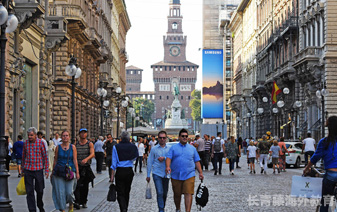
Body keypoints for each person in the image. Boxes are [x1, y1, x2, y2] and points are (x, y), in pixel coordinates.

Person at [303, 116, 337, 212]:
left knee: (324, 202)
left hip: (331, 174)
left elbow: (315, 158)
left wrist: (307, 168)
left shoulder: (324, 142)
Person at [166, 128, 204, 212]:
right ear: (179, 137)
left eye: (186, 136)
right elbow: (168, 158)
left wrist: (200, 173)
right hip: (176, 175)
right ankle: (178, 208)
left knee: (188, 193)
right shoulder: (173, 148)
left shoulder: (192, 149)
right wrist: (168, 166)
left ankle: (188, 211)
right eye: (183, 136)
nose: (184, 138)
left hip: (189, 174)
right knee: (177, 194)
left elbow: (197, 161)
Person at [51, 131, 80, 212]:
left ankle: (71, 203)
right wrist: (52, 172)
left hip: (70, 172)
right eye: (63, 136)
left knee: (69, 192)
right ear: (61, 137)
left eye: (67, 135)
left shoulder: (73, 147)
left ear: (69, 137)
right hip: (59, 172)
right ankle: (62, 209)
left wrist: (77, 172)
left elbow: (75, 160)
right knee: (60, 192)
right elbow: (55, 160)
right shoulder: (58, 147)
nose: (65, 137)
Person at [22, 127, 49, 212]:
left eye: (31, 135)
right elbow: (23, 156)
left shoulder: (41, 143)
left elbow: (45, 157)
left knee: (40, 190)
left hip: (38, 169)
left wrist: (47, 170)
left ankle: (40, 205)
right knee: (29, 191)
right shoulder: (25, 143)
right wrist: (23, 170)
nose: (29, 137)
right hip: (28, 169)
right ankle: (32, 210)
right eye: (28, 135)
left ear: (35, 135)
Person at [110, 131, 138, 212]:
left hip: (120, 171)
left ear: (121, 138)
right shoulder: (133, 147)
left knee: (120, 191)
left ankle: (123, 208)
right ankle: (125, 206)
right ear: (129, 138)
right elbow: (135, 158)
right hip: (129, 171)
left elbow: (114, 162)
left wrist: (112, 175)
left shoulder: (116, 147)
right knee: (127, 190)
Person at [146, 131, 170, 212]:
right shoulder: (154, 149)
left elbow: (173, 159)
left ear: (166, 138)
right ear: (158, 138)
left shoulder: (169, 149)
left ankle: (162, 206)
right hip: (157, 173)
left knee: (165, 193)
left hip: (166, 174)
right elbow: (150, 161)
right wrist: (148, 174)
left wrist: (165, 158)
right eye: (160, 138)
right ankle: (161, 210)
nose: (162, 139)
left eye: (164, 138)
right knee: (159, 192)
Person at [74, 128, 95, 209]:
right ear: (79, 134)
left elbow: (92, 153)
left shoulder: (89, 144)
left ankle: (84, 201)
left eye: (84, 133)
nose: (83, 134)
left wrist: (86, 159)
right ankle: (77, 201)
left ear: (86, 134)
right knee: (77, 185)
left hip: (86, 168)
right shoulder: (76, 144)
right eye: (81, 133)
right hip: (78, 167)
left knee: (85, 186)